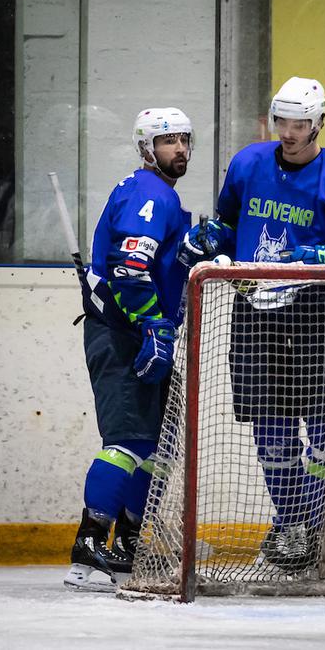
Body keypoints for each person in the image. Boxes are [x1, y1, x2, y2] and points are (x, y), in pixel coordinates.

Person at [180, 77, 325, 574]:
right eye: (282, 122)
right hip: (256, 313)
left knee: (324, 432)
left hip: (324, 316)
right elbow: (230, 225)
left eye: (300, 124)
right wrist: (212, 240)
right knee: (271, 430)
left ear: (319, 123)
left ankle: (315, 528)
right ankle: (295, 525)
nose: (290, 133)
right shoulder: (248, 163)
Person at [64, 108, 194, 591]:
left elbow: (154, 262)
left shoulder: (158, 195)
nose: (180, 149)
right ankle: (88, 549)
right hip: (123, 335)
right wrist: (153, 325)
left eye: (184, 139)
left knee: (155, 448)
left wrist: (189, 250)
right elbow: (130, 268)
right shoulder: (148, 192)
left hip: (139, 333)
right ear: (146, 148)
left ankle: (129, 543)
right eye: (168, 141)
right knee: (126, 442)